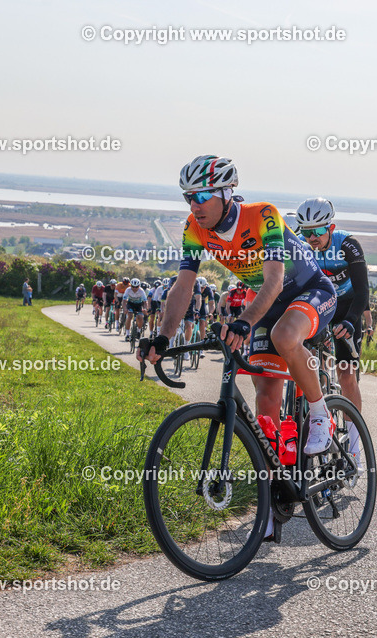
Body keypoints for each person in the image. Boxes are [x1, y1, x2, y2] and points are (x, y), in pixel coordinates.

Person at [140, 155, 338, 540]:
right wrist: (163, 337)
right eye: (188, 197)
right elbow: (183, 286)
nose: (194, 204)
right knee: (266, 399)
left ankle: (320, 413)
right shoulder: (194, 228)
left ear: (225, 193)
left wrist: (244, 321)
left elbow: (275, 279)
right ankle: (272, 500)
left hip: (308, 291)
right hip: (267, 304)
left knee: (285, 336)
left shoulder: (263, 216)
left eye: (201, 196)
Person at [296, 197, 368, 415]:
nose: (312, 238)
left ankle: (355, 434)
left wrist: (351, 320)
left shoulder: (347, 244)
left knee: (347, 375)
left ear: (331, 227)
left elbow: (363, 290)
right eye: (307, 232)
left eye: (318, 231)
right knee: (308, 365)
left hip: (347, 305)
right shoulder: (300, 246)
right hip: (318, 304)